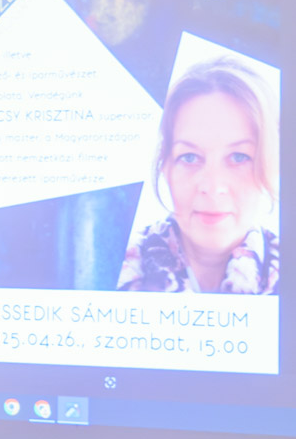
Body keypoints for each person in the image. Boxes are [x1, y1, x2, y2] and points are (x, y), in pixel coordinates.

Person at [118, 61, 279, 294]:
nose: (213, 187)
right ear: (165, 166)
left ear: (272, 164)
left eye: (239, 157)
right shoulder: (108, 270)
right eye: (190, 157)